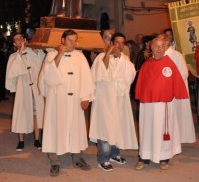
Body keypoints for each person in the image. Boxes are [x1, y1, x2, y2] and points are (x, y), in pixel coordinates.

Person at [38, 29, 95, 177]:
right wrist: (60, 54)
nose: (73, 43)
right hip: (57, 100)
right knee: (55, 128)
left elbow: (87, 77)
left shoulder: (80, 56)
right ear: (62, 40)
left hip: (76, 99)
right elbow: (48, 77)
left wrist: (85, 97)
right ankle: (55, 161)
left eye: (75, 40)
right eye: (70, 40)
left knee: (76, 129)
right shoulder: (51, 55)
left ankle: (77, 158)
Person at [135, 37, 188, 171]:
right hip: (148, 105)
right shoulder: (146, 64)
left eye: (162, 46)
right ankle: (144, 157)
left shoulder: (170, 64)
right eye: (156, 46)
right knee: (147, 130)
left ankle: (164, 158)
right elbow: (141, 84)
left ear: (165, 48)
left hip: (164, 105)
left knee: (164, 131)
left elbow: (178, 82)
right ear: (151, 48)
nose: (159, 49)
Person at [89, 32, 138, 171]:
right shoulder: (101, 57)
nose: (120, 46)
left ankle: (114, 154)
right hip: (104, 99)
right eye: (117, 42)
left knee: (117, 126)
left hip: (119, 100)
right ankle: (103, 158)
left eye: (122, 43)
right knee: (105, 127)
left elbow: (131, 76)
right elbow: (99, 73)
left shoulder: (125, 59)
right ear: (111, 43)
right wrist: (107, 54)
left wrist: (121, 58)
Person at [5, 33, 45, 151]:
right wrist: (21, 52)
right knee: (21, 114)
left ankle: (37, 139)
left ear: (25, 40)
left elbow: (43, 64)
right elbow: (13, 72)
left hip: (35, 88)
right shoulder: (13, 57)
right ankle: (21, 141)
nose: (20, 40)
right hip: (23, 89)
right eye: (17, 39)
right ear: (14, 43)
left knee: (37, 113)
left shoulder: (35, 52)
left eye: (21, 38)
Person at [158, 34, 196, 143]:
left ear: (167, 43)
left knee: (177, 114)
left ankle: (178, 137)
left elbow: (184, 73)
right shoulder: (159, 55)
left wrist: (170, 82)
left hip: (175, 90)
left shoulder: (176, 55)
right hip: (162, 90)